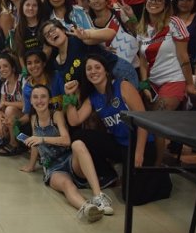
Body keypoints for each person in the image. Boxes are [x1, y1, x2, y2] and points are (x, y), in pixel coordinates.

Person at [64, 54, 172, 205]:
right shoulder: (93, 97)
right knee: (79, 136)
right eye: (89, 69)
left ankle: (162, 179)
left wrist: (139, 153)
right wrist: (69, 97)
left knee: (131, 198)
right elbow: (74, 120)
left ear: (106, 71)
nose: (93, 71)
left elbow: (143, 122)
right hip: (120, 144)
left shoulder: (122, 86)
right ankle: (109, 175)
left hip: (140, 143)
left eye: (97, 67)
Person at [19, 85, 113, 223]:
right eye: (35, 97)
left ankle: (98, 196)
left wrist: (42, 138)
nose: (39, 100)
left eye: (43, 96)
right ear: (31, 101)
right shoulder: (33, 118)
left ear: (49, 100)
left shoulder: (56, 115)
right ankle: (87, 208)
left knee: (78, 144)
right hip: (54, 168)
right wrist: (31, 165)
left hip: (69, 160)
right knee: (67, 185)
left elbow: (66, 140)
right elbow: (35, 144)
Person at [137, 0, 195, 112]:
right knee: (150, 123)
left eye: (159, 0)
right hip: (153, 85)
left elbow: (183, 56)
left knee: (157, 120)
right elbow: (142, 61)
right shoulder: (142, 28)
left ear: (166, 5)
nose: (154, 2)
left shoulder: (174, 22)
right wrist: (144, 84)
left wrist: (190, 84)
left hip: (174, 80)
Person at [172, 0, 196, 109]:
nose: (185, 3)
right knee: (179, 103)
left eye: (189, 0)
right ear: (176, 1)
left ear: (194, 2)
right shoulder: (171, 19)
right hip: (176, 68)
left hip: (195, 67)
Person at [87, 0, 139, 68]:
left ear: (106, 0)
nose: (97, 1)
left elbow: (136, 32)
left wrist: (132, 16)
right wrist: (103, 51)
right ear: (89, 3)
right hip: (112, 69)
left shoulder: (118, 13)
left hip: (133, 65)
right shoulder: (90, 25)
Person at [0, 53, 25, 156]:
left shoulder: (22, 80)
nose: (2, 69)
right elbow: (1, 108)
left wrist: (6, 103)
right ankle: (10, 140)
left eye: (5, 66)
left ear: (13, 67)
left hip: (26, 115)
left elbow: (25, 105)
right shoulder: (4, 85)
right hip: (12, 116)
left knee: (9, 109)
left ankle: (14, 144)